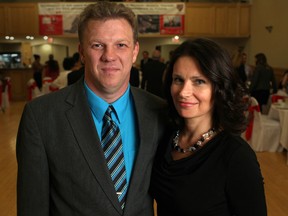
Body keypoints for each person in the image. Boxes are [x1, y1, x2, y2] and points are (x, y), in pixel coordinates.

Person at [16, 2, 167, 216]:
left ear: (134, 52)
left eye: (121, 45)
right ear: (82, 52)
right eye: (97, 45)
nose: (109, 56)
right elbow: (32, 207)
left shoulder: (159, 111)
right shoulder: (41, 117)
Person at [150, 38, 267, 216]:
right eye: (178, 80)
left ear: (219, 87)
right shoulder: (165, 137)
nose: (184, 92)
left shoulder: (237, 157)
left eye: (199, 81)